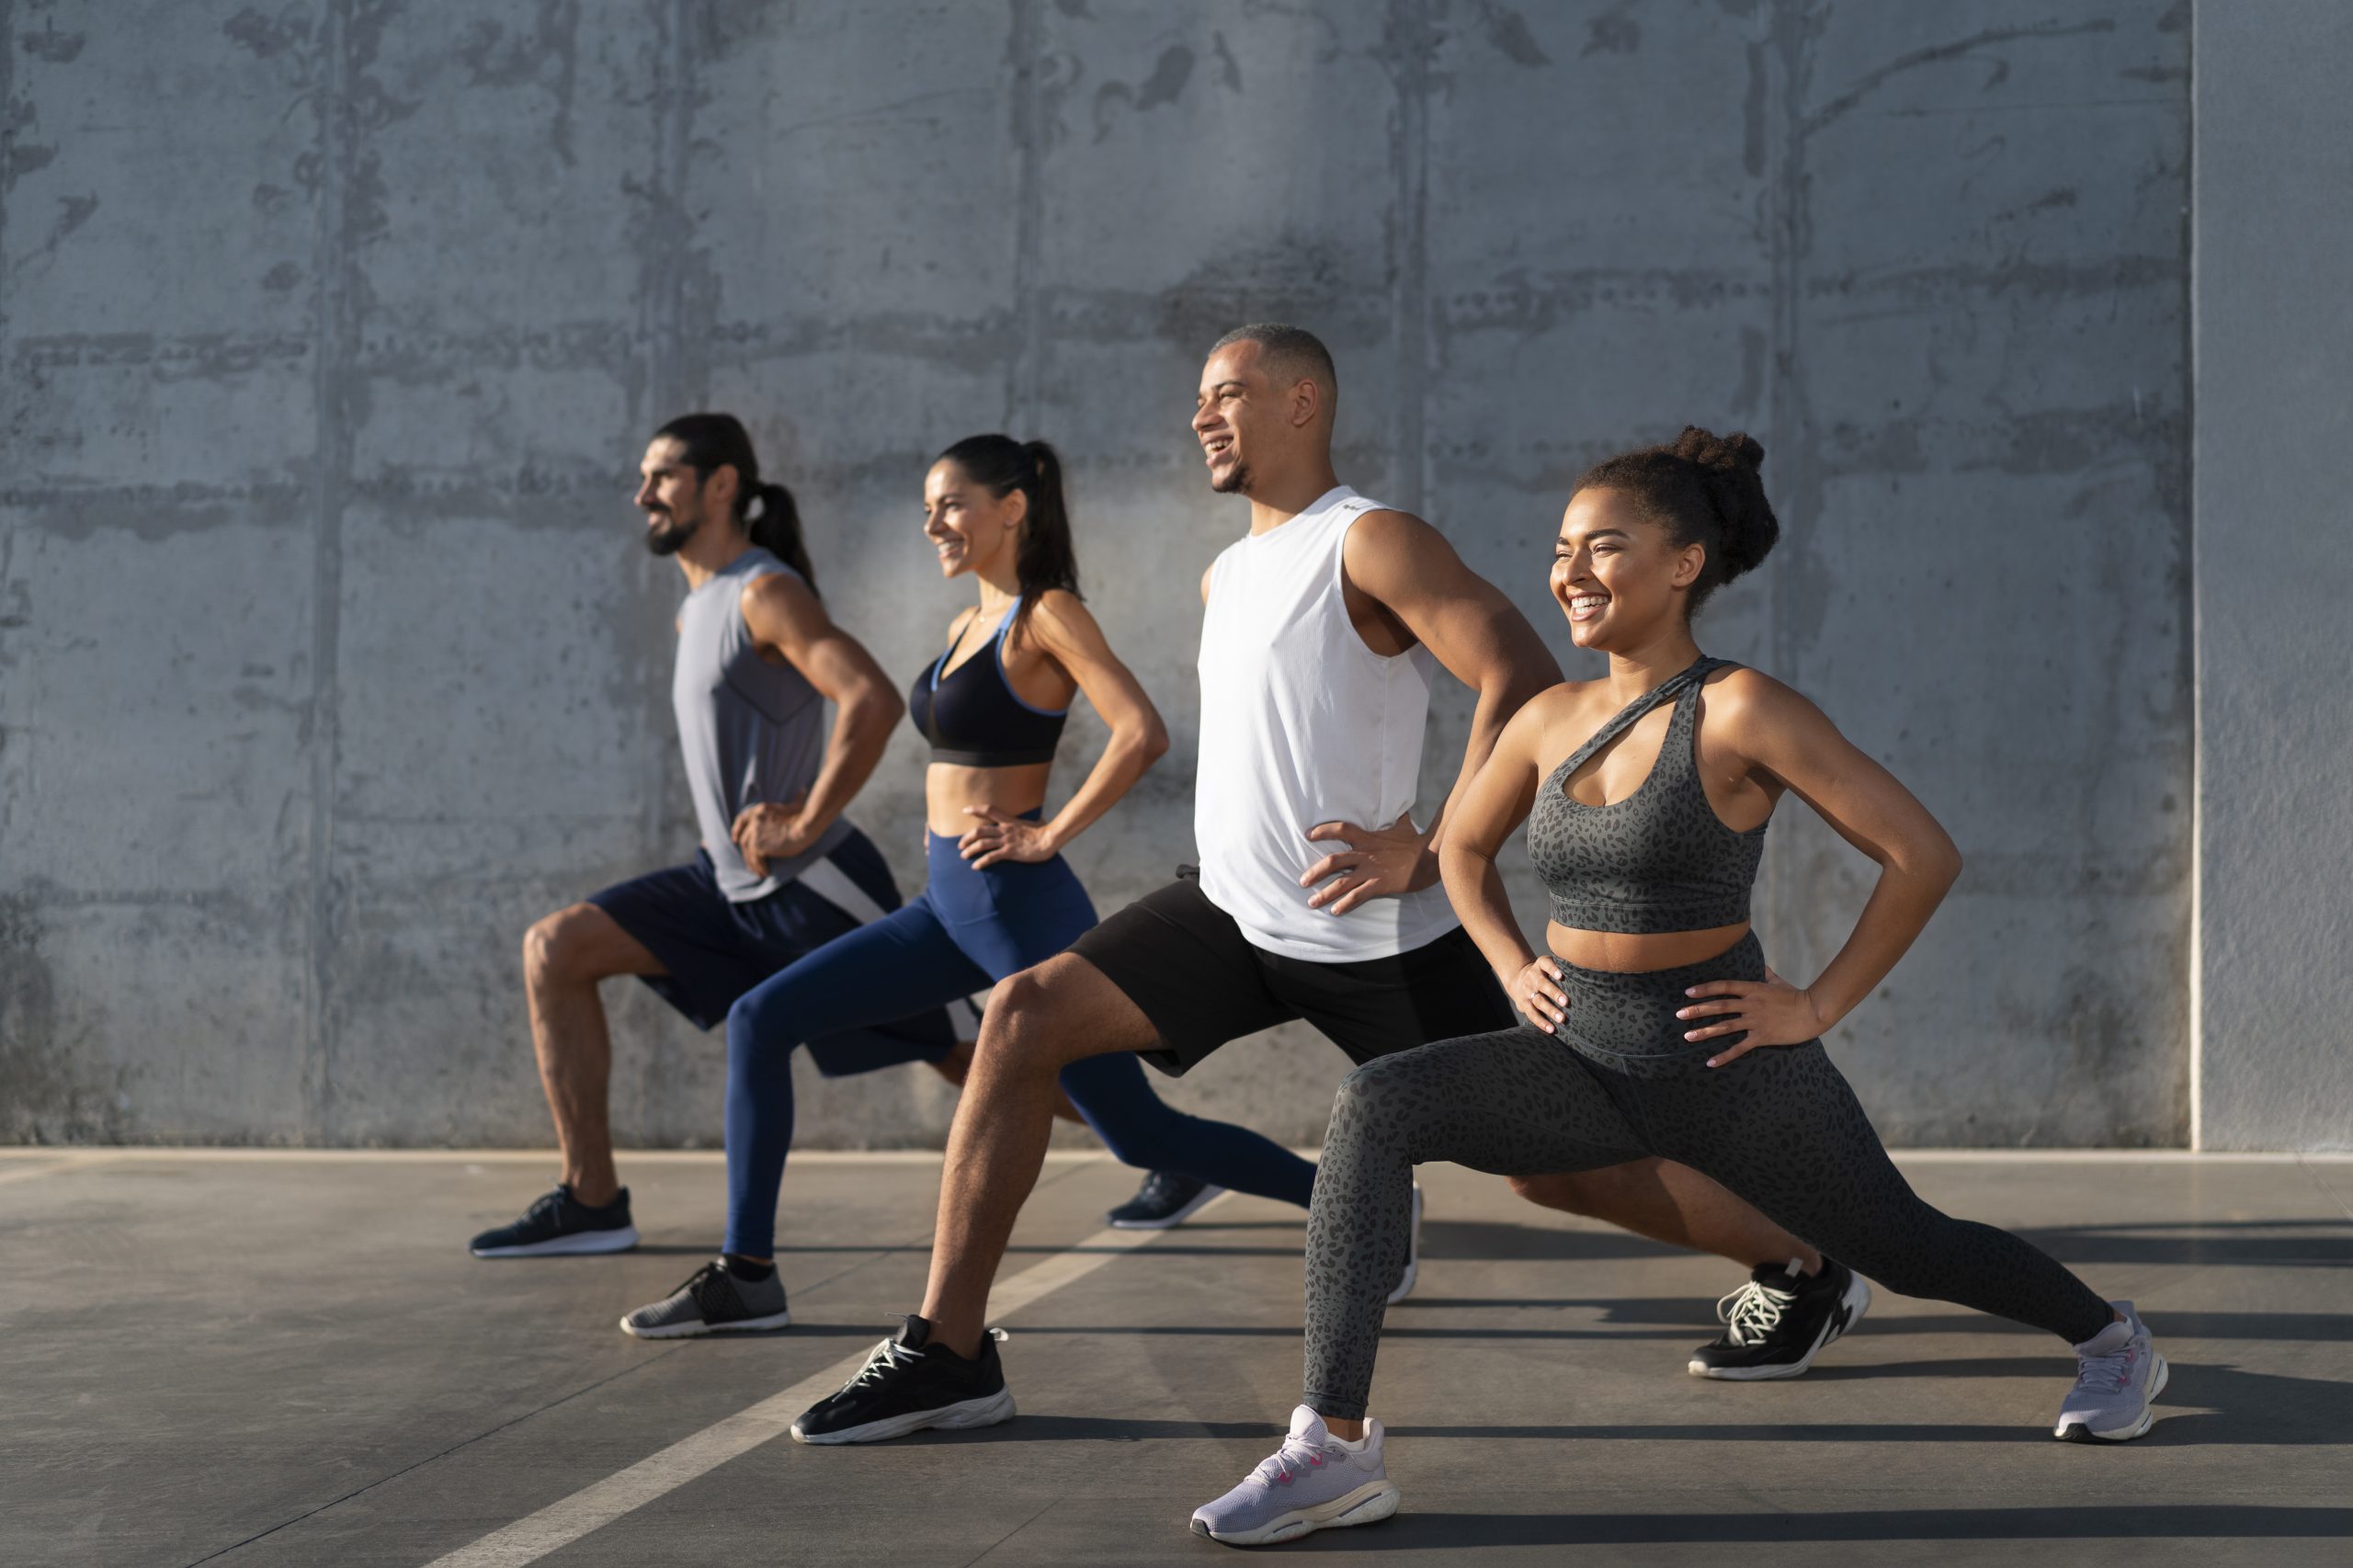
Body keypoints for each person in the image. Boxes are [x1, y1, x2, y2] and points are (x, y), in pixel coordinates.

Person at [787, 326, 1859, 1445]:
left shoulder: (1371, 541)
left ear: (1303, 402)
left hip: (1379, 937)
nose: (1204, 413)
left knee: (1562, 1174)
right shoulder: (1228, 569)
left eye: (1230, 393)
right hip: (1232, 914)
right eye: (1200, 396)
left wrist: (1434, 837)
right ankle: (949, 1350)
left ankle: (1804, 1259)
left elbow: (1518, 668)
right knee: (1020, 1016)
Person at [1189, 426, 2167, 1546]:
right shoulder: (1545, 716)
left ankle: (2110, 1337)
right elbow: (1459, 849)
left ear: (1682, 563)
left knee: (1908, 1245)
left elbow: (1921, 853)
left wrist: (1813, 1005)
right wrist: (1512, 966)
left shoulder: (1742, 708)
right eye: (1561, 548)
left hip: (1727, 1063)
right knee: (1378, 1104)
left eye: (1604, 547)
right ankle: (1333, 1442)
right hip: (1578, 1055)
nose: (1569, 571)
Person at [618, 434, 1323, 1339]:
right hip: (946, 906)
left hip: (1018, 907)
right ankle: (747, 1271)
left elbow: (1139, 730)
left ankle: (1357, 1196)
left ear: (1011, 508)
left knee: (1140, 1133)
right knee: (761, 1018)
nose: (933, 523)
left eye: (950, 504)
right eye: (925, 509)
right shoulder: (965, 625)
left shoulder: (1046, 614)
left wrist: (1050, 831)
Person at [469, 414, 968, 1258]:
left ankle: (1155, 1142)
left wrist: (805, 819)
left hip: (808, 885)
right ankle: (592, 1199)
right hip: (723, 886)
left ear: (722, 484)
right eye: (646, 477)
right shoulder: (696, 606)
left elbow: (871, 700)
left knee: (962, 1048)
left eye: (662, 476)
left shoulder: (761, 591)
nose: (644, 494)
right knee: (555, 949)